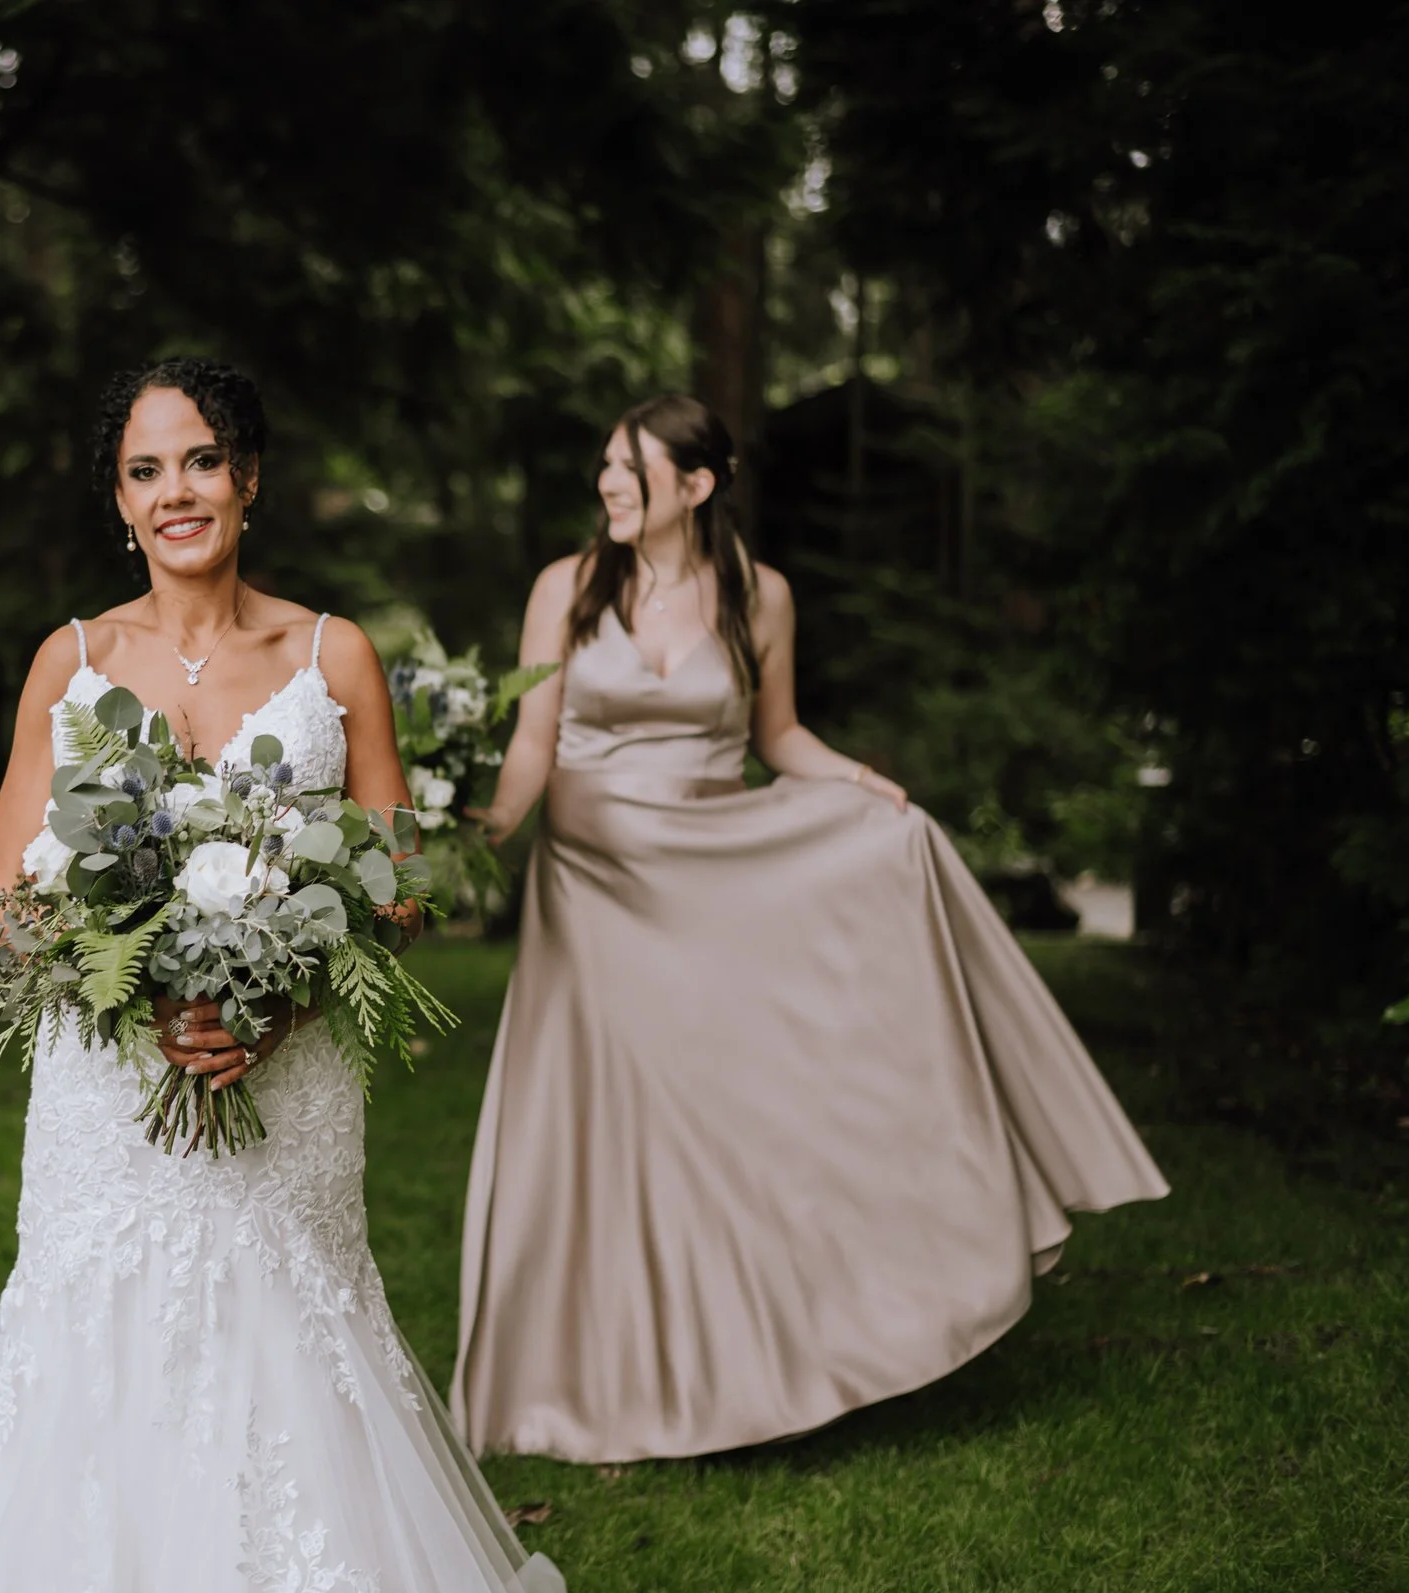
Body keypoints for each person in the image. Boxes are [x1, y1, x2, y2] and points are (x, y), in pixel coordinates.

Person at [0, 361, 595, 1593]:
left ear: (249, 479)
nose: (177, 491)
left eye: (202, 460)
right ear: (118, 500)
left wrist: (276, 1002)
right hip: (109, 1082)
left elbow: (402, 888)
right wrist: (132, 979)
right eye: (146, 470)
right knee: (101, 1336)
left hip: (291, 1076)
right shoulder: (74, 658)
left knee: (290, 1345)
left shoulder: (334, 656)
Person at [451, 393, 1169, 1466]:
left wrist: (868, 787)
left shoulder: (760, 596)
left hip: (709, 877)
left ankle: (793, 1344)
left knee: (732, 1113)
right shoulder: (565, 586)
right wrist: (480, 834)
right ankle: (593, 1388)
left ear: (693, 487)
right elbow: (531, 743)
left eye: (630, 469)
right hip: (592, 890)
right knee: (612, 1123)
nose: (606, 483)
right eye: (603, 462)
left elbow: (777, 735)